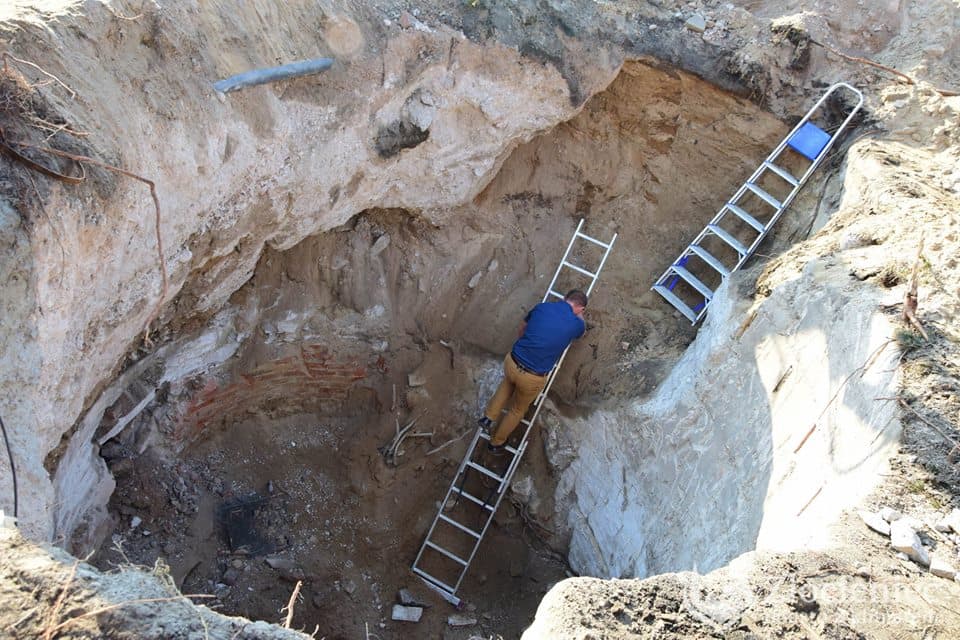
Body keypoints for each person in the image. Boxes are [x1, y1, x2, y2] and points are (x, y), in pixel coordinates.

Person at [478, 290, 588, 453]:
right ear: (580, 308)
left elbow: (523, 327)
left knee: (507, 384)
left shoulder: (542, 307)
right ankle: (496, 443)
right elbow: (582, 330)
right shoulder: (576, 324)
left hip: (513, 361)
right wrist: (579, 314)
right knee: (517, 409)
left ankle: (488, 417)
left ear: (564, 298)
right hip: (532, 377)